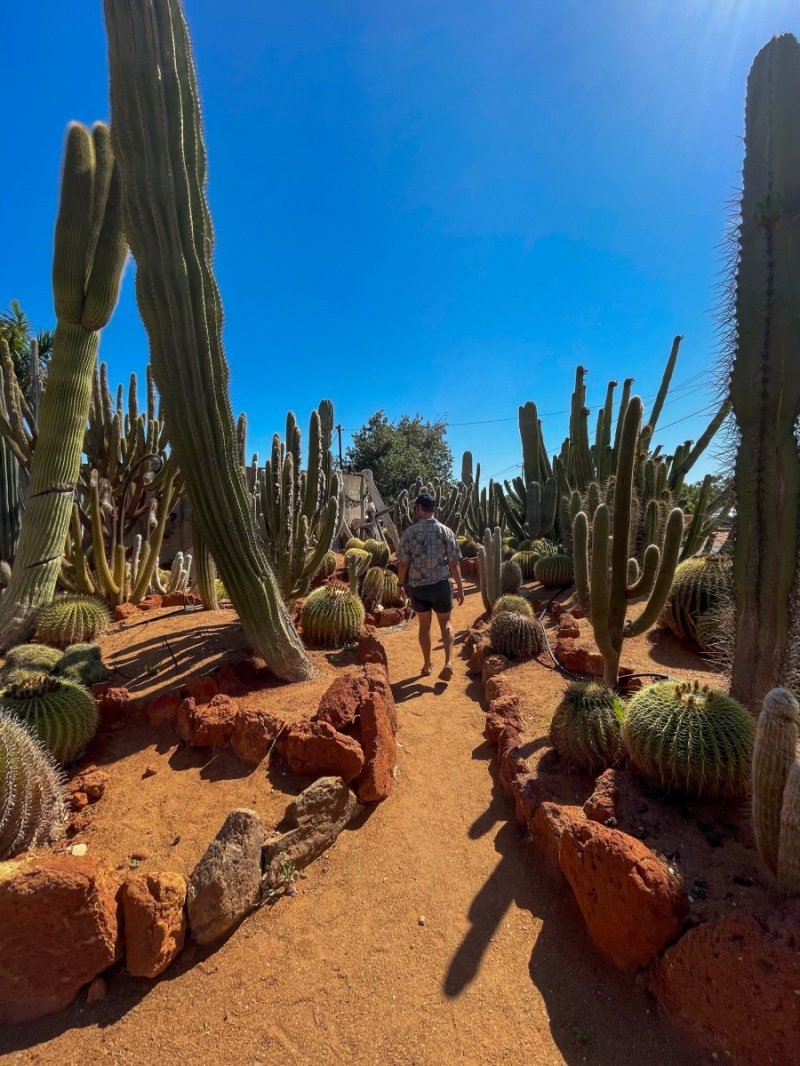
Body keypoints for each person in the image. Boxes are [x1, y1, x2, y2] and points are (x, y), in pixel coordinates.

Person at [396, 492, 464, 680]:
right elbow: (454, 562)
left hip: (418, 587)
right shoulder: (445, 531)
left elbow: (403, 563)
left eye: (415, 507)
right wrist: (459, 586)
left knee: (424, 626)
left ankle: (427, 665)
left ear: (419, 509)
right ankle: (448, 663)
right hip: (441, 585)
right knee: (446, 623)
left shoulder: (409, 533)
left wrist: (400, 583)